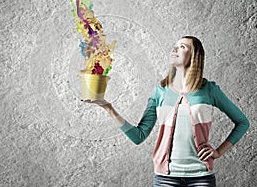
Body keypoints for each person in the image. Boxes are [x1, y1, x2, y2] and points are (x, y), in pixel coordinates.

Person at [83, 36, 250, 187]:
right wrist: (108, 108)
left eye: (183, 46)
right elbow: (138, 136)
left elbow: (243, 122)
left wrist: (219, 152)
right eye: (175, 46)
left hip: (201, 177)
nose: (175, 49)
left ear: (194, 56)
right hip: (165, 178)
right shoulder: (160, 91)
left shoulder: (209, 89)